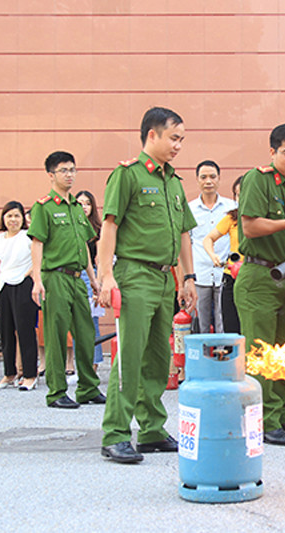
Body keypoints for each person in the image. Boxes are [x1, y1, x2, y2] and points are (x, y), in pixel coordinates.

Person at [97, 107, 198, 463]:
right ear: (151, 135)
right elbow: (109, 226)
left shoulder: (173, 181)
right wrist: (106, 275)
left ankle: (152, 429)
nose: (178, 146)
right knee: (130, 356)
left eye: (182, 140)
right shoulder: (127, 175)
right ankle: (116, 433)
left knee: (158, 357)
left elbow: (184, 232)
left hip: (164, 277)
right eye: (174, 138)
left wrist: (187, 277)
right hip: (134, 274)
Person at [234, 122, 285, 447]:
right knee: (260, 352)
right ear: (272, 152)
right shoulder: (258, 179)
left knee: (284, 350)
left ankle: (281, 413)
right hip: (259, 276)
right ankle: (262, 421)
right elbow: (250, 227)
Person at [28, 151, 103, 409]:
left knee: (85, 332)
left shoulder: (76, 207)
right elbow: (37, 243)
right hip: (55, 277)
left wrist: (93, 278)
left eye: (72, 169)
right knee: (56, 334)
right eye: (64, 170)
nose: (69, 174)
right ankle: (57, 391)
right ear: (51, 175)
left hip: (77, 277)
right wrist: (37, 280)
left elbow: (83, 243)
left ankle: (88, 388)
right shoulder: (44, 207)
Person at [0, 201, 38, 390]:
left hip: (23, 285)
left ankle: (29, 375)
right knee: (6, 331)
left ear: (23, 219)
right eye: (9, 215)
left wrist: (30, 273)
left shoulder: (28, 237)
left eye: (17, 215)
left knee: (25, 330)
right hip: (4, 287)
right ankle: (9, 373)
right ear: (3, 218)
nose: (13, 220)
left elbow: (41, 256)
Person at [188, 159, 236, 333]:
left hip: (226, 272)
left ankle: (222, 353)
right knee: (201, 318)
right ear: (197, 180)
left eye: (212, 177)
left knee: (224, 316)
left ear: (219, 179)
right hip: (200, 273)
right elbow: (187, 242)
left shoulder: (231, 207)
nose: (208, 181)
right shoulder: (190, 209)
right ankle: (204, 354)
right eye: (204, 177)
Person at [204, 175, 243, 334]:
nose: (242, 198)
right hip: (232, 275)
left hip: (254, 275)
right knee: (230, 323)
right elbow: (208, 238)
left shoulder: (266, 218)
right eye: (238, 194)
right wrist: (213, 255)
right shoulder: (232, 218)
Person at [75, 190, 105, 371]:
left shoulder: (97, 230)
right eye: (79, 203)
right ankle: (80, 367)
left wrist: (98, 283)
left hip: (90, 276)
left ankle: (92, 366)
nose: (83, 206)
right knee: (77, 324)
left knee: (91, 324)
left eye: (87, 203)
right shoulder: (72, 226)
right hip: (73, 274)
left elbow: (100, 259)